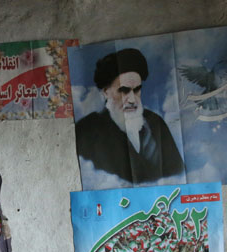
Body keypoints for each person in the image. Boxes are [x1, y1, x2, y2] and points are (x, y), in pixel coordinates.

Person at [74, 48, 184, 184]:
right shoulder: (87, 131)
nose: (132, 99)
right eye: (124, 90)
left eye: (137, 90)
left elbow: (178, 175)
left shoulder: (155, 123)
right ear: (106, 92)